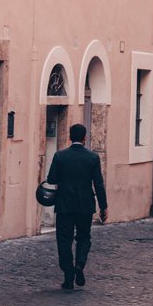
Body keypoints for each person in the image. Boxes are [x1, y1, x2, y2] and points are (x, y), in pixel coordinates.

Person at [47, 122, 108, 292]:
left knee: (64, 240)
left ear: (69, 137)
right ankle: (80, 264)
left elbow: (51, 179)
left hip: (64, 204)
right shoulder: (92, 158)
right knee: (84, 237)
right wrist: (103, 206)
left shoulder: (60, 156)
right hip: (85, 204)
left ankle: (68, 275)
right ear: (84, 138)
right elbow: (99, 184)